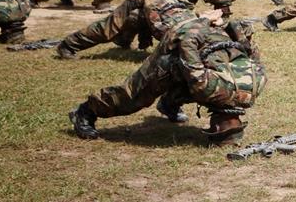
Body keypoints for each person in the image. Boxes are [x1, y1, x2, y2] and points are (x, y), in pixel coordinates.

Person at [68, 12, 267, 145]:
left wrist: (229, 26)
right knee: (134, 97)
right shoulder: (207, 88)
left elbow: (250, 49)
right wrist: (204, 22)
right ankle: (85, 112)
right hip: (185, 37)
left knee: (190, 83)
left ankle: (169, 104)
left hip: (215, 37)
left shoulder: (257, 84)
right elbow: (187, 45)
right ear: (215, 125)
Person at [56, 0, 197, 58]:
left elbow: (188, 6)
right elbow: (152, 10)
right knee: (110, 27)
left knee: (137, 17)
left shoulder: (193, 26)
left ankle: (123, 40)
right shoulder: (173, 32)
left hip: (162, 1)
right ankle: (68, 45)